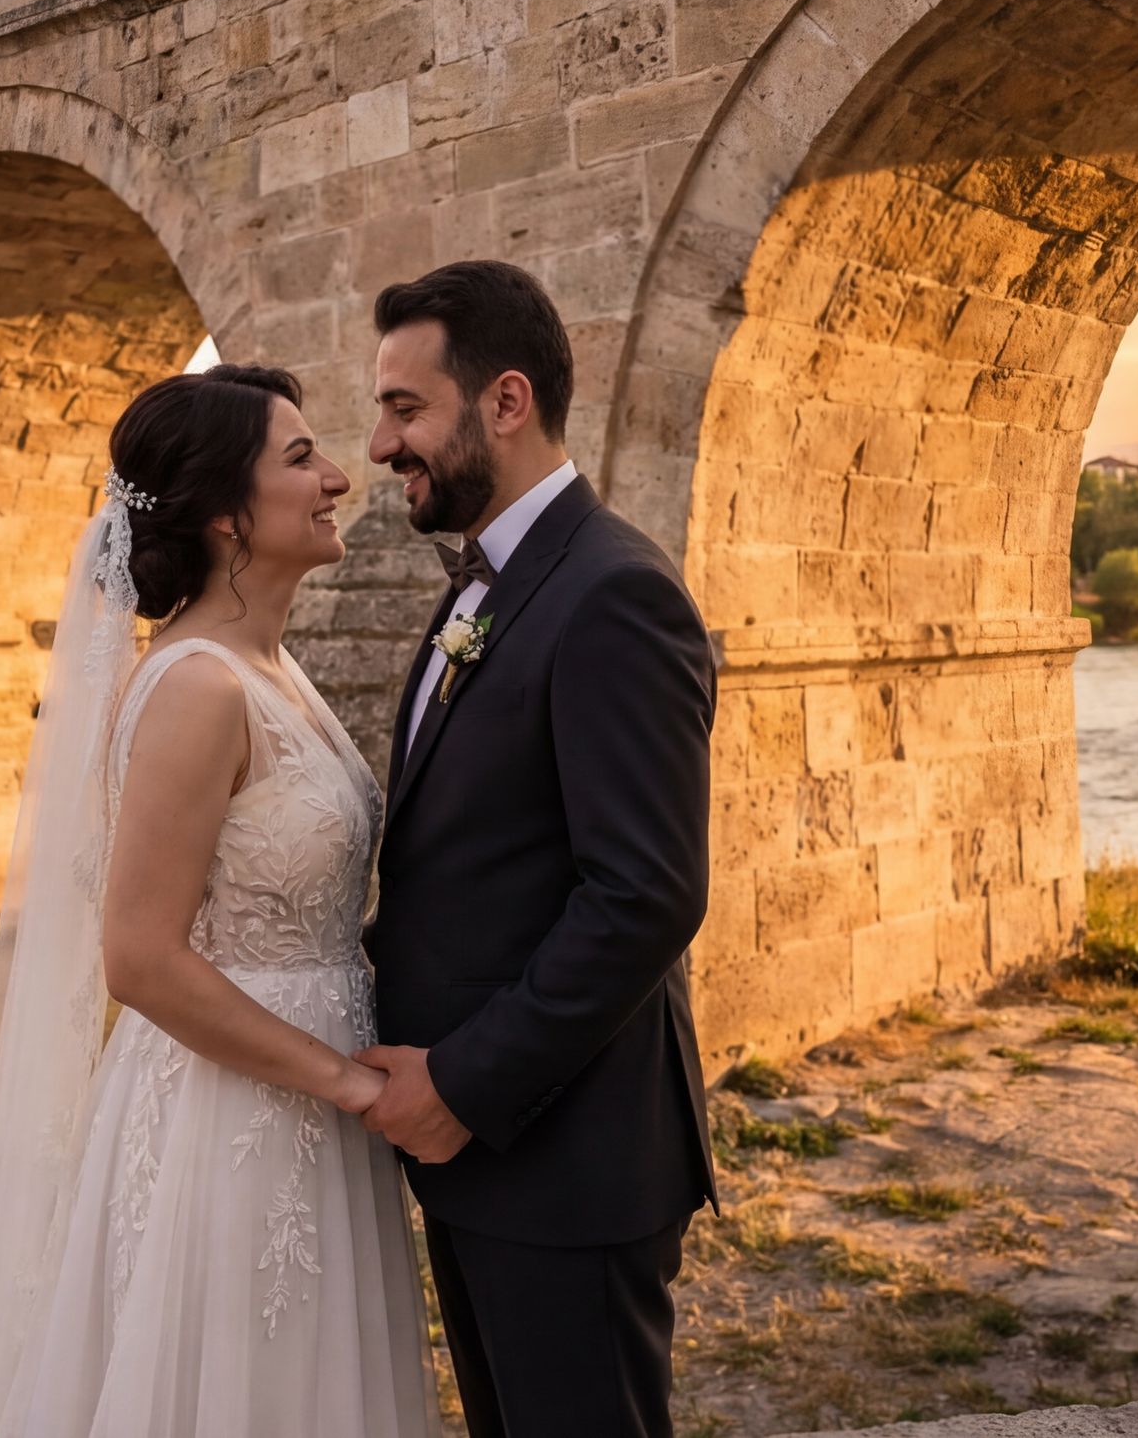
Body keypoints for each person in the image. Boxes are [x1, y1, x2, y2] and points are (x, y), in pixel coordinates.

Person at [0, 363, 433, 1438]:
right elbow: (139, 957)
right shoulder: (196, 687)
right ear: (227, 518)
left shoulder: (266, 666)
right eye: (301, 459)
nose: (338, 477)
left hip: (307, 1107)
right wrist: (342, 1081)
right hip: (231, 1123)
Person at [360, 259, 719, 1438]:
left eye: (406, 410)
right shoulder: (489, 583)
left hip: (564, 1158)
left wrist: (461, 1086)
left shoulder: (614, 593)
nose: (379, 446)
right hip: (483, 1158)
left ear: (503, 403)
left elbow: (645, 896)